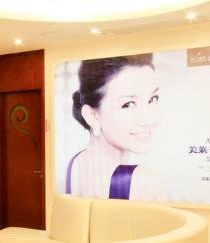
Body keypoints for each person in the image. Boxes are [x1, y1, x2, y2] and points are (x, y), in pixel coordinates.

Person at [68, 54, 167, 200]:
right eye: (128, 104)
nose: (149, 120)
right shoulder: (146, 183)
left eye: (152, 99)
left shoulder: (74, 164)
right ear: (92, 116)